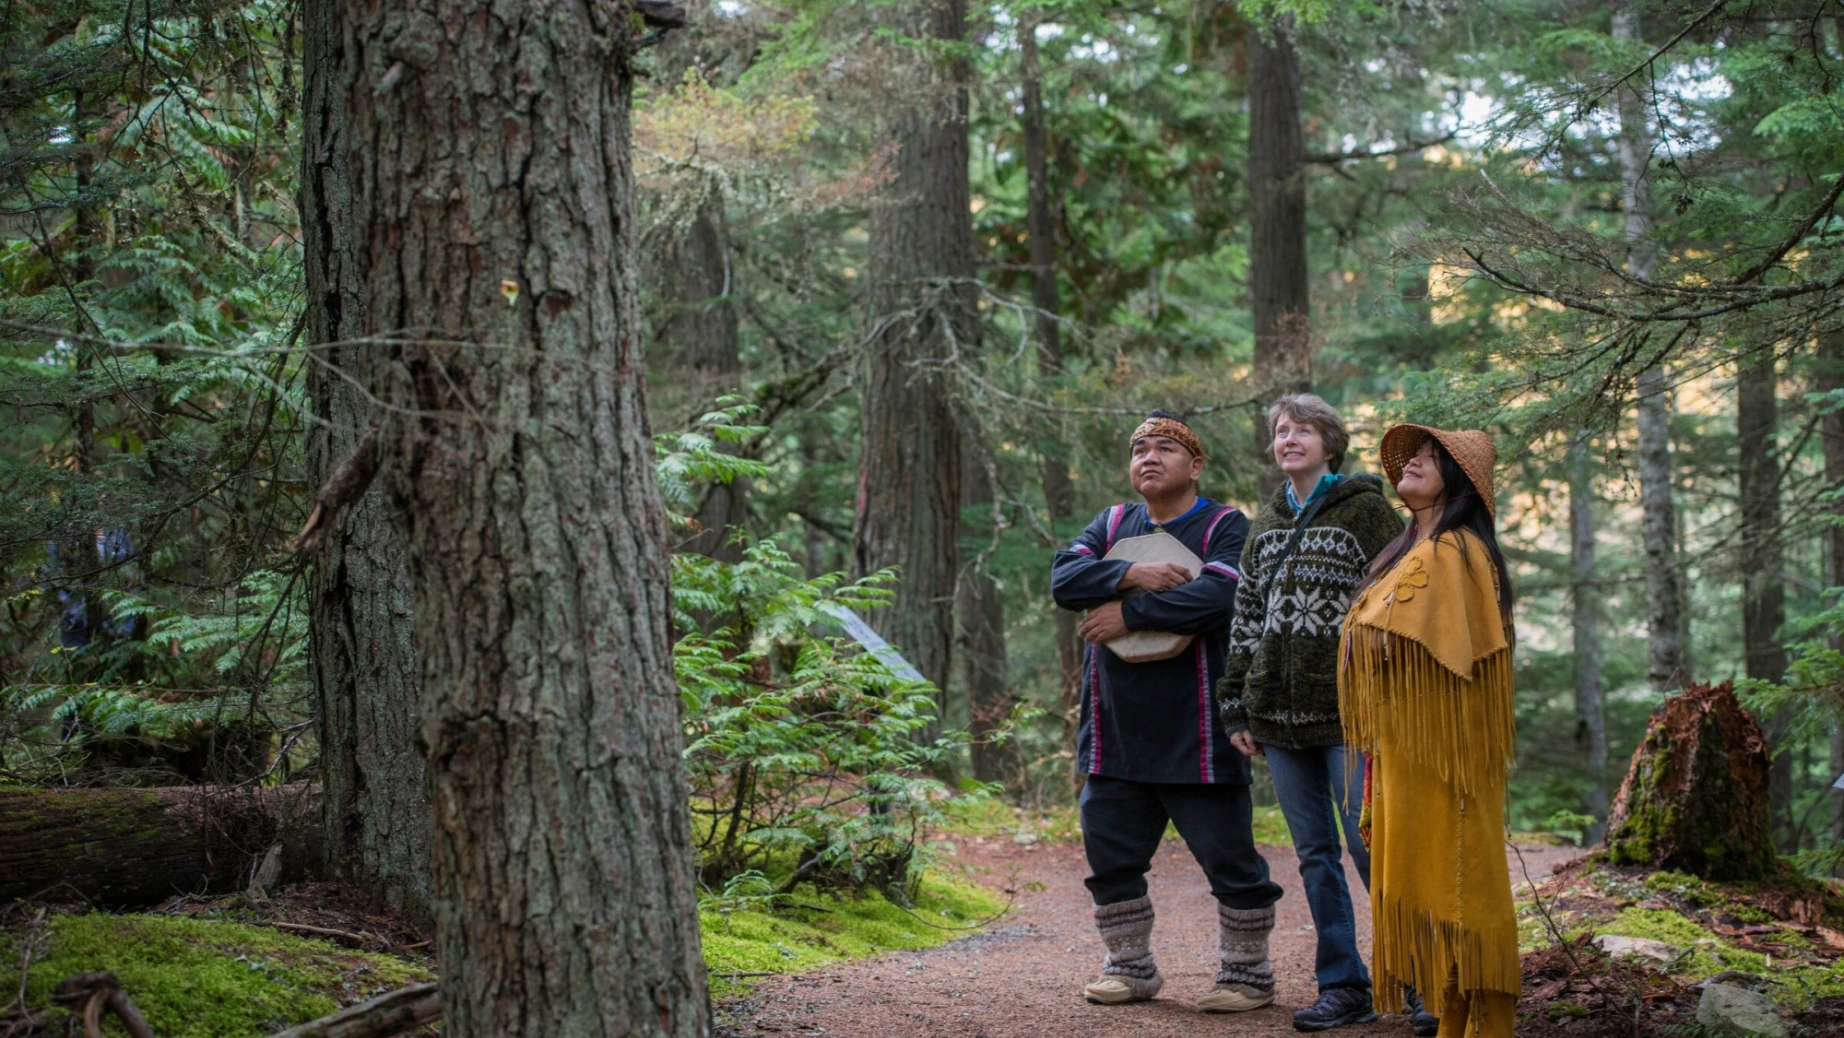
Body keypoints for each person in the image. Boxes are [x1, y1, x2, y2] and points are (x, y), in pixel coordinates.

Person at [1051, 410, 1284, 1014]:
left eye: (1164, 448)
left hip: (1199, 728)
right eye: (1139, 450)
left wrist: (1128, 612)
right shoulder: (1111, 523)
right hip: (1113, 729)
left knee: (1229, 858)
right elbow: (1065, 578)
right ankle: (1130, 968)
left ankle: (1248, 974)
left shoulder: (1225, 526)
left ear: (1195, 465)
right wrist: (1133, 571)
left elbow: (1223, 593)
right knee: (1110, 855)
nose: (1148, 457)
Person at [1215, 394, 1416, 1033]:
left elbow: (1397, 602)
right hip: (1277, 716)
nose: (1288, 439)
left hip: (1350, 714)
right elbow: (1246, 616)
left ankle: (1416, 982)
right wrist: (1235, 704)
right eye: (1281, 431)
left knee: (1371, 846)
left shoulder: (1366, 512)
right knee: (1314, 855)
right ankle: (1344, 985)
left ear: (1330, 444)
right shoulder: (1267, 521)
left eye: (1303, 430)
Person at [1339, 425, 1520, 1038]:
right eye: (1410, 456)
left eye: (1429, 457)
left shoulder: (1456, 552)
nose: (1412, 462)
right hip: (1407, 747)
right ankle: (1453, 1021)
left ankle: (1485, 1026)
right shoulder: (1413, 549)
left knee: (1460, 881)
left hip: (1444, 755)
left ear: (1460, 479)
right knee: (1436, 883)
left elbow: (1406, 640)